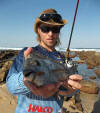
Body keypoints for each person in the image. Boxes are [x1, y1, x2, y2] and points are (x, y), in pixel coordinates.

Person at [6, 8, 82, 113]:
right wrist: (26, 79)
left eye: (55, 29)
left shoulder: (65, 60)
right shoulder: (27, 53)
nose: (50, 34)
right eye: (45, 28)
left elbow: (72, 89)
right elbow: (11, 85)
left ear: (59, 32)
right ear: (38, 30)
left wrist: (70, 90)